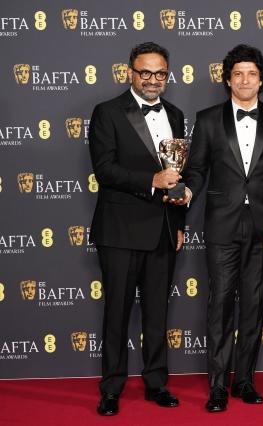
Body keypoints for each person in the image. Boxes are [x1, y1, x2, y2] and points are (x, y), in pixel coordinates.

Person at [182, 44, 263, 413]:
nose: (245, 80)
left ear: (262, 80)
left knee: (253, 303)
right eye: (238, 74)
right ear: (228, 80)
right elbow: (197, 169)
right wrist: (187, 190)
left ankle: (245, 380)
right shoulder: (207, 120)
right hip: (222, 224)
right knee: (220, 304)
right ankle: (217, 386)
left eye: (252, 74)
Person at [89, 41, 186, 416]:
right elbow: (105, 169)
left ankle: (157, 382)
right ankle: (111, 388)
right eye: (145, 72)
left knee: (158, 313)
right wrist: (152, 181)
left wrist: (178, 222)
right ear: (130, 72)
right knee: (116, 312)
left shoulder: (175, 114)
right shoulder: (107, 112)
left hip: (163, 229)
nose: (152, 79)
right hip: (120, 230)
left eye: (160, 73)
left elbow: (176, 175)